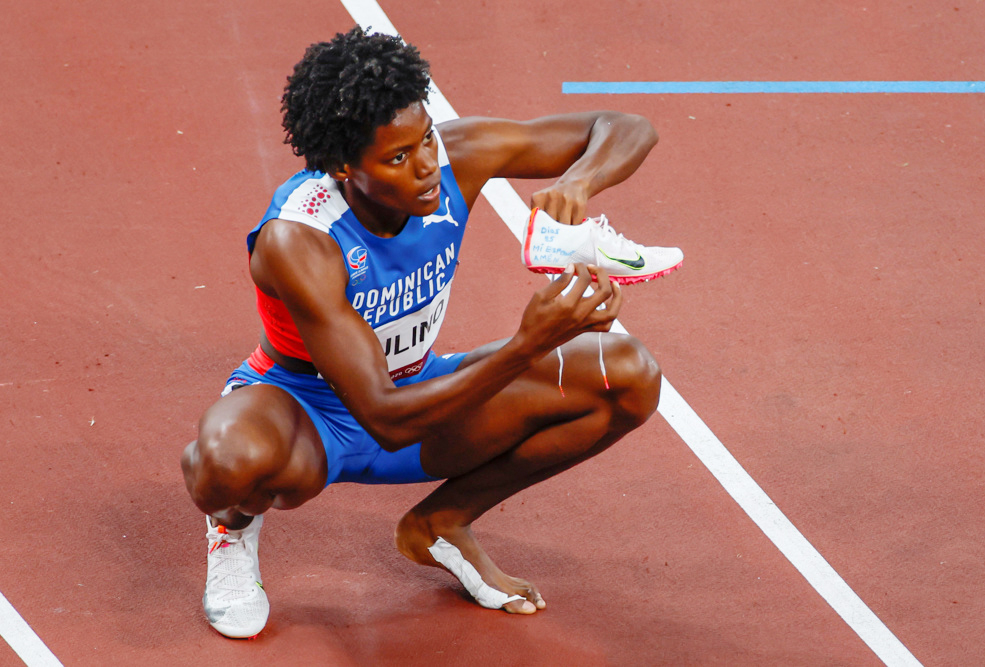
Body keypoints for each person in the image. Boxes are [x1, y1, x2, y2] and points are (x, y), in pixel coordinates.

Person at [181, 26, 671, 639]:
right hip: (307, 410)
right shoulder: (298, 240)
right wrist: (528, 344)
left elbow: (626, 126)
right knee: (228, 464)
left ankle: (442, 524)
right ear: (342, 167)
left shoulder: (453, 157)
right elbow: (385, 420)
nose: (426, 167)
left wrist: (581, 180)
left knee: (626, 375)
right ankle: (231, 529)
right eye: (396, 158)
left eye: (427, 140)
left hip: (421, 388)